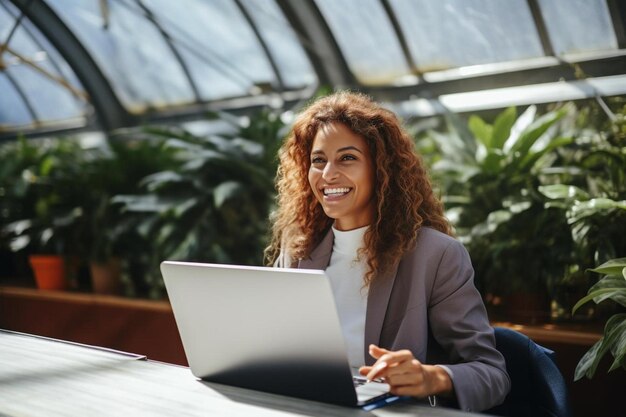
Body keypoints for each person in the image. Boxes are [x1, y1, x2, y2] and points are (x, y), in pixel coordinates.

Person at [265, 91, 510, 412]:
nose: (328, 175)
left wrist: (431, 377)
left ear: (382, 169)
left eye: (347, 158)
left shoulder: (436, 256)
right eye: (318, 160)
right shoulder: (298, 250)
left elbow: (491, 373)